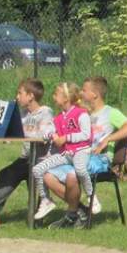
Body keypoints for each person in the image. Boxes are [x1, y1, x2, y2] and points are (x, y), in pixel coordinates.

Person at [38, 76, 127, 228]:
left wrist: (108, 139)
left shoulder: (110, 113)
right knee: (47, 176)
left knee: (72, 175)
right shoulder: (81, 113)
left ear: (95, 94)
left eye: (84, 90)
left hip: (99, 158)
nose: (80, 93)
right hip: (75, 156)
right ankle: (80, 210)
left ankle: (72, 215)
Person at [0, 79, 54, 227]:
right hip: (26, 159)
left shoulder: (45, 112)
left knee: (23, 176)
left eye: (20, 93)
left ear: (30, 96)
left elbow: (45, 135)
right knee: (5, 173)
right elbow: (11, 131)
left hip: (41, 160)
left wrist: (25, 135)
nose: (17, 97)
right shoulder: (21, 114)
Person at [31, 82, 94, 227]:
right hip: (66, 156)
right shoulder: (59, 117)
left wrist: (65, 138)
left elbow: (85, 136)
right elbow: (52, 131)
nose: (53, 96)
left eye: (56, 94)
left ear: (66, 98)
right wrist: (49, 134)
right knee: (46, 175)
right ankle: (76, 210)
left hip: (81, 156)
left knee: (72, 176)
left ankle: (76, 212)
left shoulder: (81, 114)